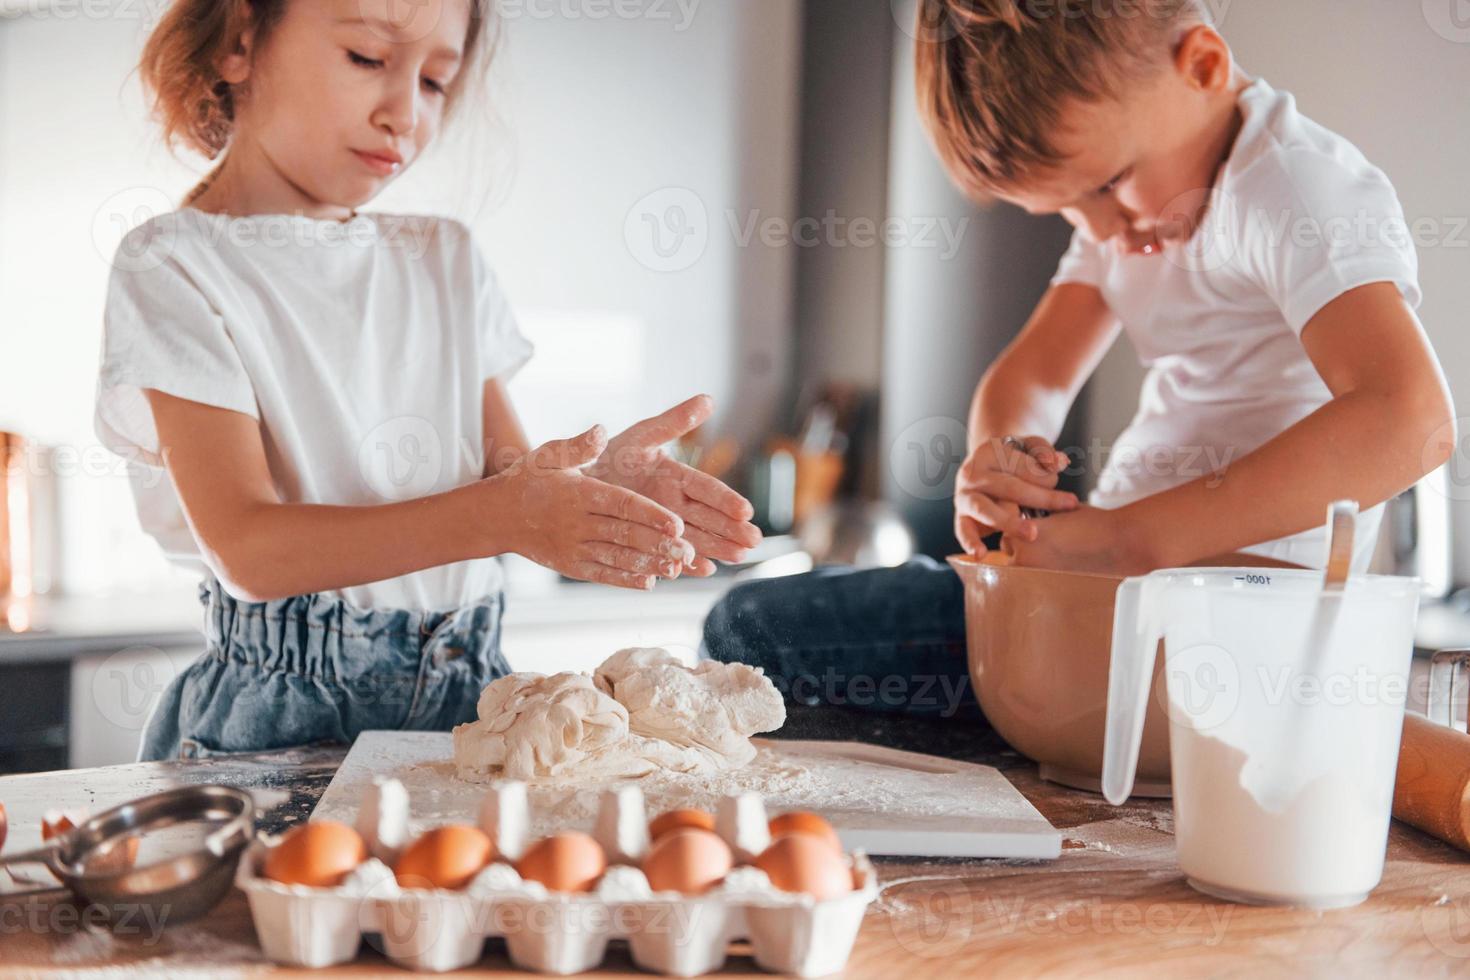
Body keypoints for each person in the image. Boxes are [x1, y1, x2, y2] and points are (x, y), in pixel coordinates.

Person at [704, 0, 1454, 719]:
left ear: (1201, 64)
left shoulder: (1290, 185)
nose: (1107, 230)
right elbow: (1032, 376)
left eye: (1108, 185)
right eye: (1070, 209)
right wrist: (1002, 457)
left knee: (752, 634)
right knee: (771, 621)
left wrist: (1135, 539)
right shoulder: (1129, 213)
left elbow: (1409, 417)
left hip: (1228, 625)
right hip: (1110, 597)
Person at [94, 0, 761, 761]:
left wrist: (595, 490)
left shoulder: (444, 258)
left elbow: (508, 475)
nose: (404, 113)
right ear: (241, 40)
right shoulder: (175, 264)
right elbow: (250, 549)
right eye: (368, 59)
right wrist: (505, 517)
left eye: (437, 81)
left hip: (470, 693)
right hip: (282, 714)